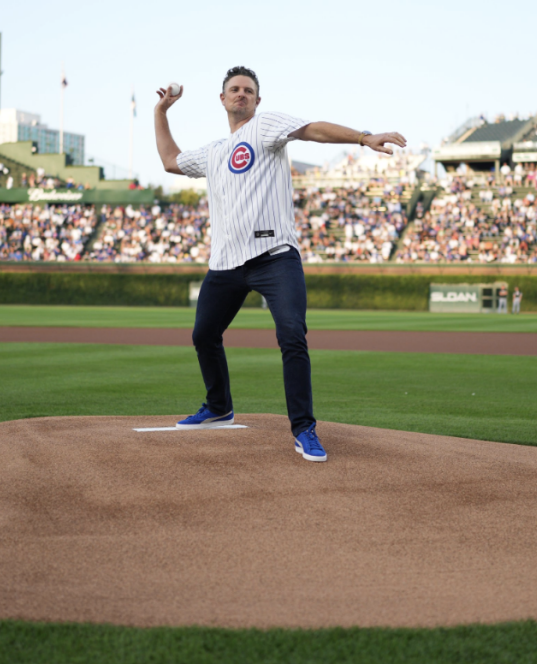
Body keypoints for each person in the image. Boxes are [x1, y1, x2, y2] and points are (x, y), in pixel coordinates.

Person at [155, 65, 405, 462]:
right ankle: (219, 406)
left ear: (257, 100)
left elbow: (313, 129)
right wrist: (162, 112)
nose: (241, 94)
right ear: (222, 99)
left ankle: (304, 429)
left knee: (292, 335)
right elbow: (170, 160)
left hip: (275, 258)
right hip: (226, 263)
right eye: (234, 89)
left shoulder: (266, 126)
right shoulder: (215, 152)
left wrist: (363, 137)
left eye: (248, 90)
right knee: (204, 334)